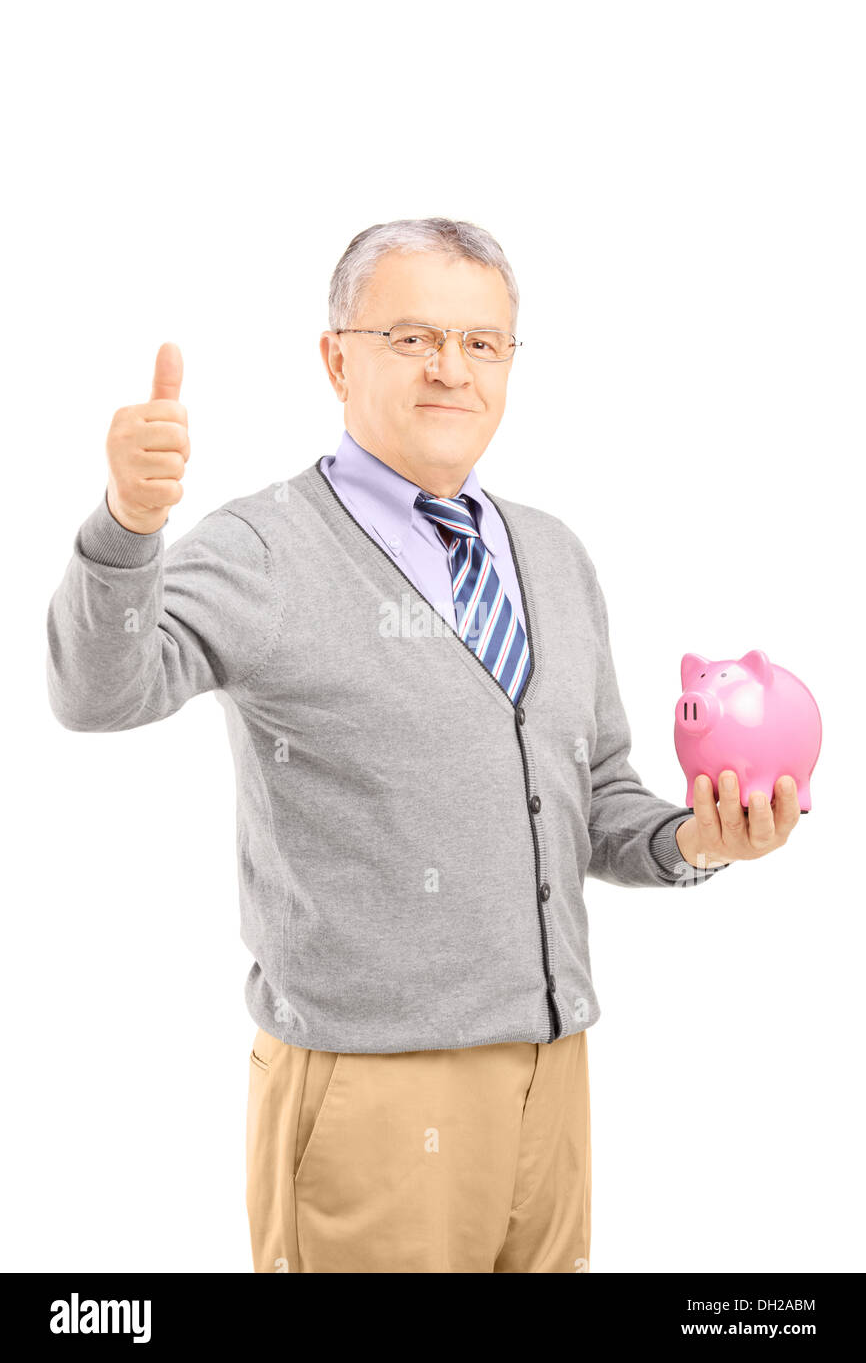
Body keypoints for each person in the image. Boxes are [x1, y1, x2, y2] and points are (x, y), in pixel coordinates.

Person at [46, 216, 802, 1274]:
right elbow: (96, 692)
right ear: (334, 357)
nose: (452, 368)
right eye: (411, 338)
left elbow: (599, 797)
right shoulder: (264, 546)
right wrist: (127, 526)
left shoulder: (551, 553)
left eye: (482, 343)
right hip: (370, 1093)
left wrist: (700, 842)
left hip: (552, 1073)